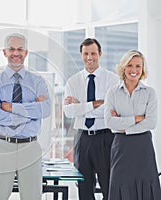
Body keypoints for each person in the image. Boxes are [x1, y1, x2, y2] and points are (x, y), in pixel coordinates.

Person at [0, 33, 51, 200]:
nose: (16, 53)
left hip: (30, 147)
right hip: (1, 145)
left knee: (32, 197)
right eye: (12, 49)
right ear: (4, 52)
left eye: (20, 49)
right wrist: (30, 113)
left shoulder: (37, 82)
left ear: (26, 52)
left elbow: (46, 110)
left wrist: (11, 107)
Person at [63, 38, 119, 200]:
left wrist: (82, 107)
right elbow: (69, 112)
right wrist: (96, 104)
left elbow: (111, 111)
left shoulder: (112, 79)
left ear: (100, 54)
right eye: (86, 53)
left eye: (93, 53)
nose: (89, 57)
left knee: (108, 185)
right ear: (81, 55)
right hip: (82, 139)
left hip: (106, 137)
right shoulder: (73, 81)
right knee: (84, 187)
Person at [104, 50, 161, 200]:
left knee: (145, 188)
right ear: (123, 67)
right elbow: (109, 122)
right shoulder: (113, 92)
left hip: (143, 147)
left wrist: (123, 125)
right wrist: (137, 118)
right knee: (120, 184)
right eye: (130, 65)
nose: (134, 70)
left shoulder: (150, 93)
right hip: (121, 147)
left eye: (138, 66)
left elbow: (151, 122)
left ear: (142, 69)